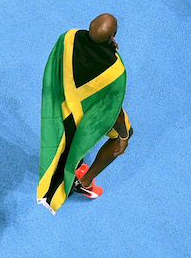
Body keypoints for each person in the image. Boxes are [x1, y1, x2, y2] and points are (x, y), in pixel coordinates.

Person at [37, 14, 131, 213]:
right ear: (114, 35)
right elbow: (111, 111)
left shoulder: (69, 37)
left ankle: (72, 164)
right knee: (120, 142)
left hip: (63, 109)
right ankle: (84, 183)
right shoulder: (115, 71)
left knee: (64, 145)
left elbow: (55, 67)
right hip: (86, 116)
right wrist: (123, 135)